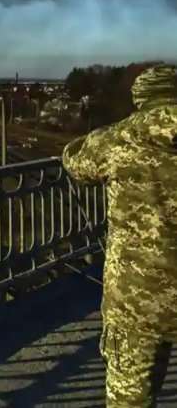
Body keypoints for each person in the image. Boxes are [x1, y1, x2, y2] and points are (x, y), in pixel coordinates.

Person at [62, 64, 177, 407]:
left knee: (131, 395)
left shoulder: (118, 139)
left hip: (136, 297)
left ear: (140, 97)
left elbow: (75, 159)